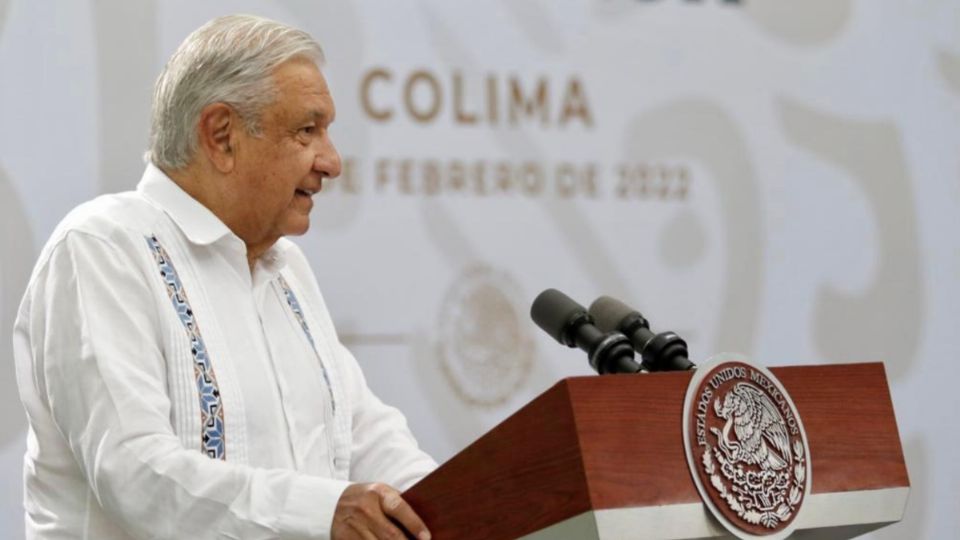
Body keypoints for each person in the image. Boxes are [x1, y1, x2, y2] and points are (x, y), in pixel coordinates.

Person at [12, 14, 436, 540]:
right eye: (308, 130)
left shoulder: (287, 270)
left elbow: (367, 434)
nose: (332, 162)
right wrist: (321, 513)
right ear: (221, 135)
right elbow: (135, 472)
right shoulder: (102, 248)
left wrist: (468, 502)